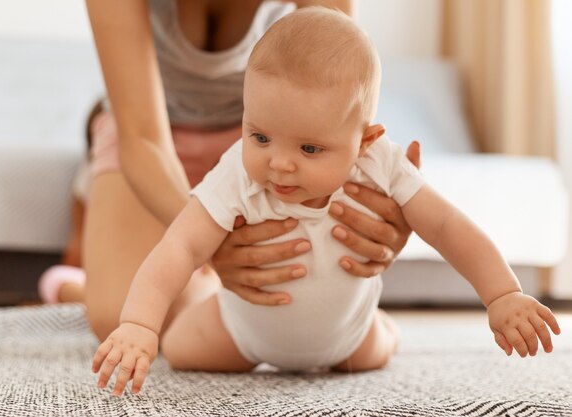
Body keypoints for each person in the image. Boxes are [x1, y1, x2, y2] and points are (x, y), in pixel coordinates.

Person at [91, 8, 561, 396]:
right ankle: (179, 305)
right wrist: (140, 326)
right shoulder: (239, 168)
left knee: (375, 351)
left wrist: (502, 294)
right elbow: (179, 247)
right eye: (260, 138)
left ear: (365, 142)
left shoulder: (379, 163)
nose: (280, 165)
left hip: (347, 339)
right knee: (180, 347)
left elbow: (447, 226)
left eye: (309, 149)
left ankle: (382, 328)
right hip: (241, 334)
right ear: (246, 121)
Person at [38, 0, 422, 342]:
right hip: (150, 135)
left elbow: (341, 104)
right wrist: (205, 243)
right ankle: (76, 287)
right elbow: (143, 137)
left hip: (265, 137)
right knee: (116, 316)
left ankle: (210, 299)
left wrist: (387, 209)